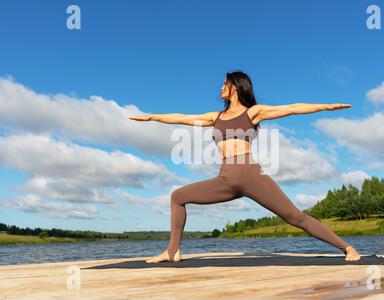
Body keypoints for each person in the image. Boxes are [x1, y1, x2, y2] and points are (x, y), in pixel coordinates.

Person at [129, 70, 361, 263]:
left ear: (236, 87)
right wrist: (151, 117)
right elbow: (182, 118)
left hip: (252, 175)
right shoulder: (215, 117)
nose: (220, 87)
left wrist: (327, 106)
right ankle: (172, 251)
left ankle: (347, 247)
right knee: (178, 196)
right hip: (225, 179)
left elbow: (292, 108)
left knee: (295, 217)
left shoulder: (253, 113)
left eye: (224, 83)